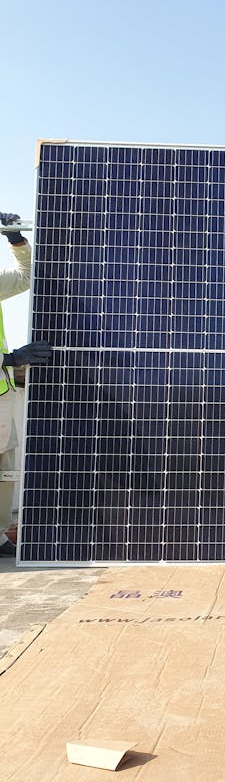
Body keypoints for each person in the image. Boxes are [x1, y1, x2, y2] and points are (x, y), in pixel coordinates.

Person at [0, 213, 51, 557]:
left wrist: (17, 242)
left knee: (5, 472)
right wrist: (8, 359)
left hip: (1, 393)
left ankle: (0, 536)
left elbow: (26, 277)